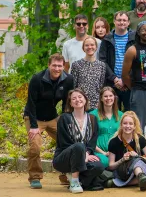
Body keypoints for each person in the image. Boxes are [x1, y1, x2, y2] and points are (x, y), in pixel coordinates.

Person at [24, 54, 74, 189]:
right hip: (34, 117)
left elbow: (66, 104)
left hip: (53, 117)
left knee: (68, 142)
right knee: (35, 146)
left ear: (64, 66)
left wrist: (65, 121)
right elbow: (31, 103)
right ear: (49, 65)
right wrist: (33, 127)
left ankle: (65, 175)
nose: (57, 68)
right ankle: (35, 177)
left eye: (60, 66)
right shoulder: (37, 79)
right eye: (54, 65)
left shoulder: (68, 79)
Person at [52, 89, 105, 193]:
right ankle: (75, 182)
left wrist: (87, 153)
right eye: (74, 98)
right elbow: (64, 143)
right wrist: (82, 154)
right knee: (79, 146)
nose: (77, 100)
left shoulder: (92, 119)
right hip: (64, 158)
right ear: (70, 103)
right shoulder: (64, 118)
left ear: (85, 100)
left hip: (84, 157)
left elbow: (92, 142)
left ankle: (79, 180)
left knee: (99, 166)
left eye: (80, 97)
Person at [107, 111, 146, 190]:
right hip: (123, 171)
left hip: (137, 171)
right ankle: (140, 177)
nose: (128, 126)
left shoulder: (140, 139)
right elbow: (111, 166)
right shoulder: (113, 142)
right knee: (138, 163)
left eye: (131, 124)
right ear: (121, 125)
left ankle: (124, 182)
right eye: (125, 123)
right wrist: (122, 159)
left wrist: (138, 156)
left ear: (135, 126)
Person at [99, 11, 136, 111]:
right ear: (114, 22)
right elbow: (102, 61)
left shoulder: (135, 38)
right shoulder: (107, 39)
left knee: (131, 113)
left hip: (130, 83)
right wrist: (115, 79)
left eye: (124, 20)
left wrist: (126, 80)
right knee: (113, 113)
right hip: (112, 84)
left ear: (128, 22)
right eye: (119, 20)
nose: (122, 22)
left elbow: (137, 61)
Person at [71, 36, 116, 109]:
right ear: (83, 48)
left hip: (96, 104)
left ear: (96, 47)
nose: (89, 47)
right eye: (87, 45)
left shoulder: (101, 65)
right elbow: (73, 86)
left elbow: (101, 86)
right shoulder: (76, 65)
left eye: (92, 45)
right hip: (81, 103)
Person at [90, 87, 123, 168]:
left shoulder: (121, 115)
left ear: (114, 98)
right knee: (104, 162)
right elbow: (89, 138)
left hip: (117, 151)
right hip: (99, 152)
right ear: (101, 98)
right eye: (105, 96)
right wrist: (103, 153)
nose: (108, 98)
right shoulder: (93, 115)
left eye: (111, 96)